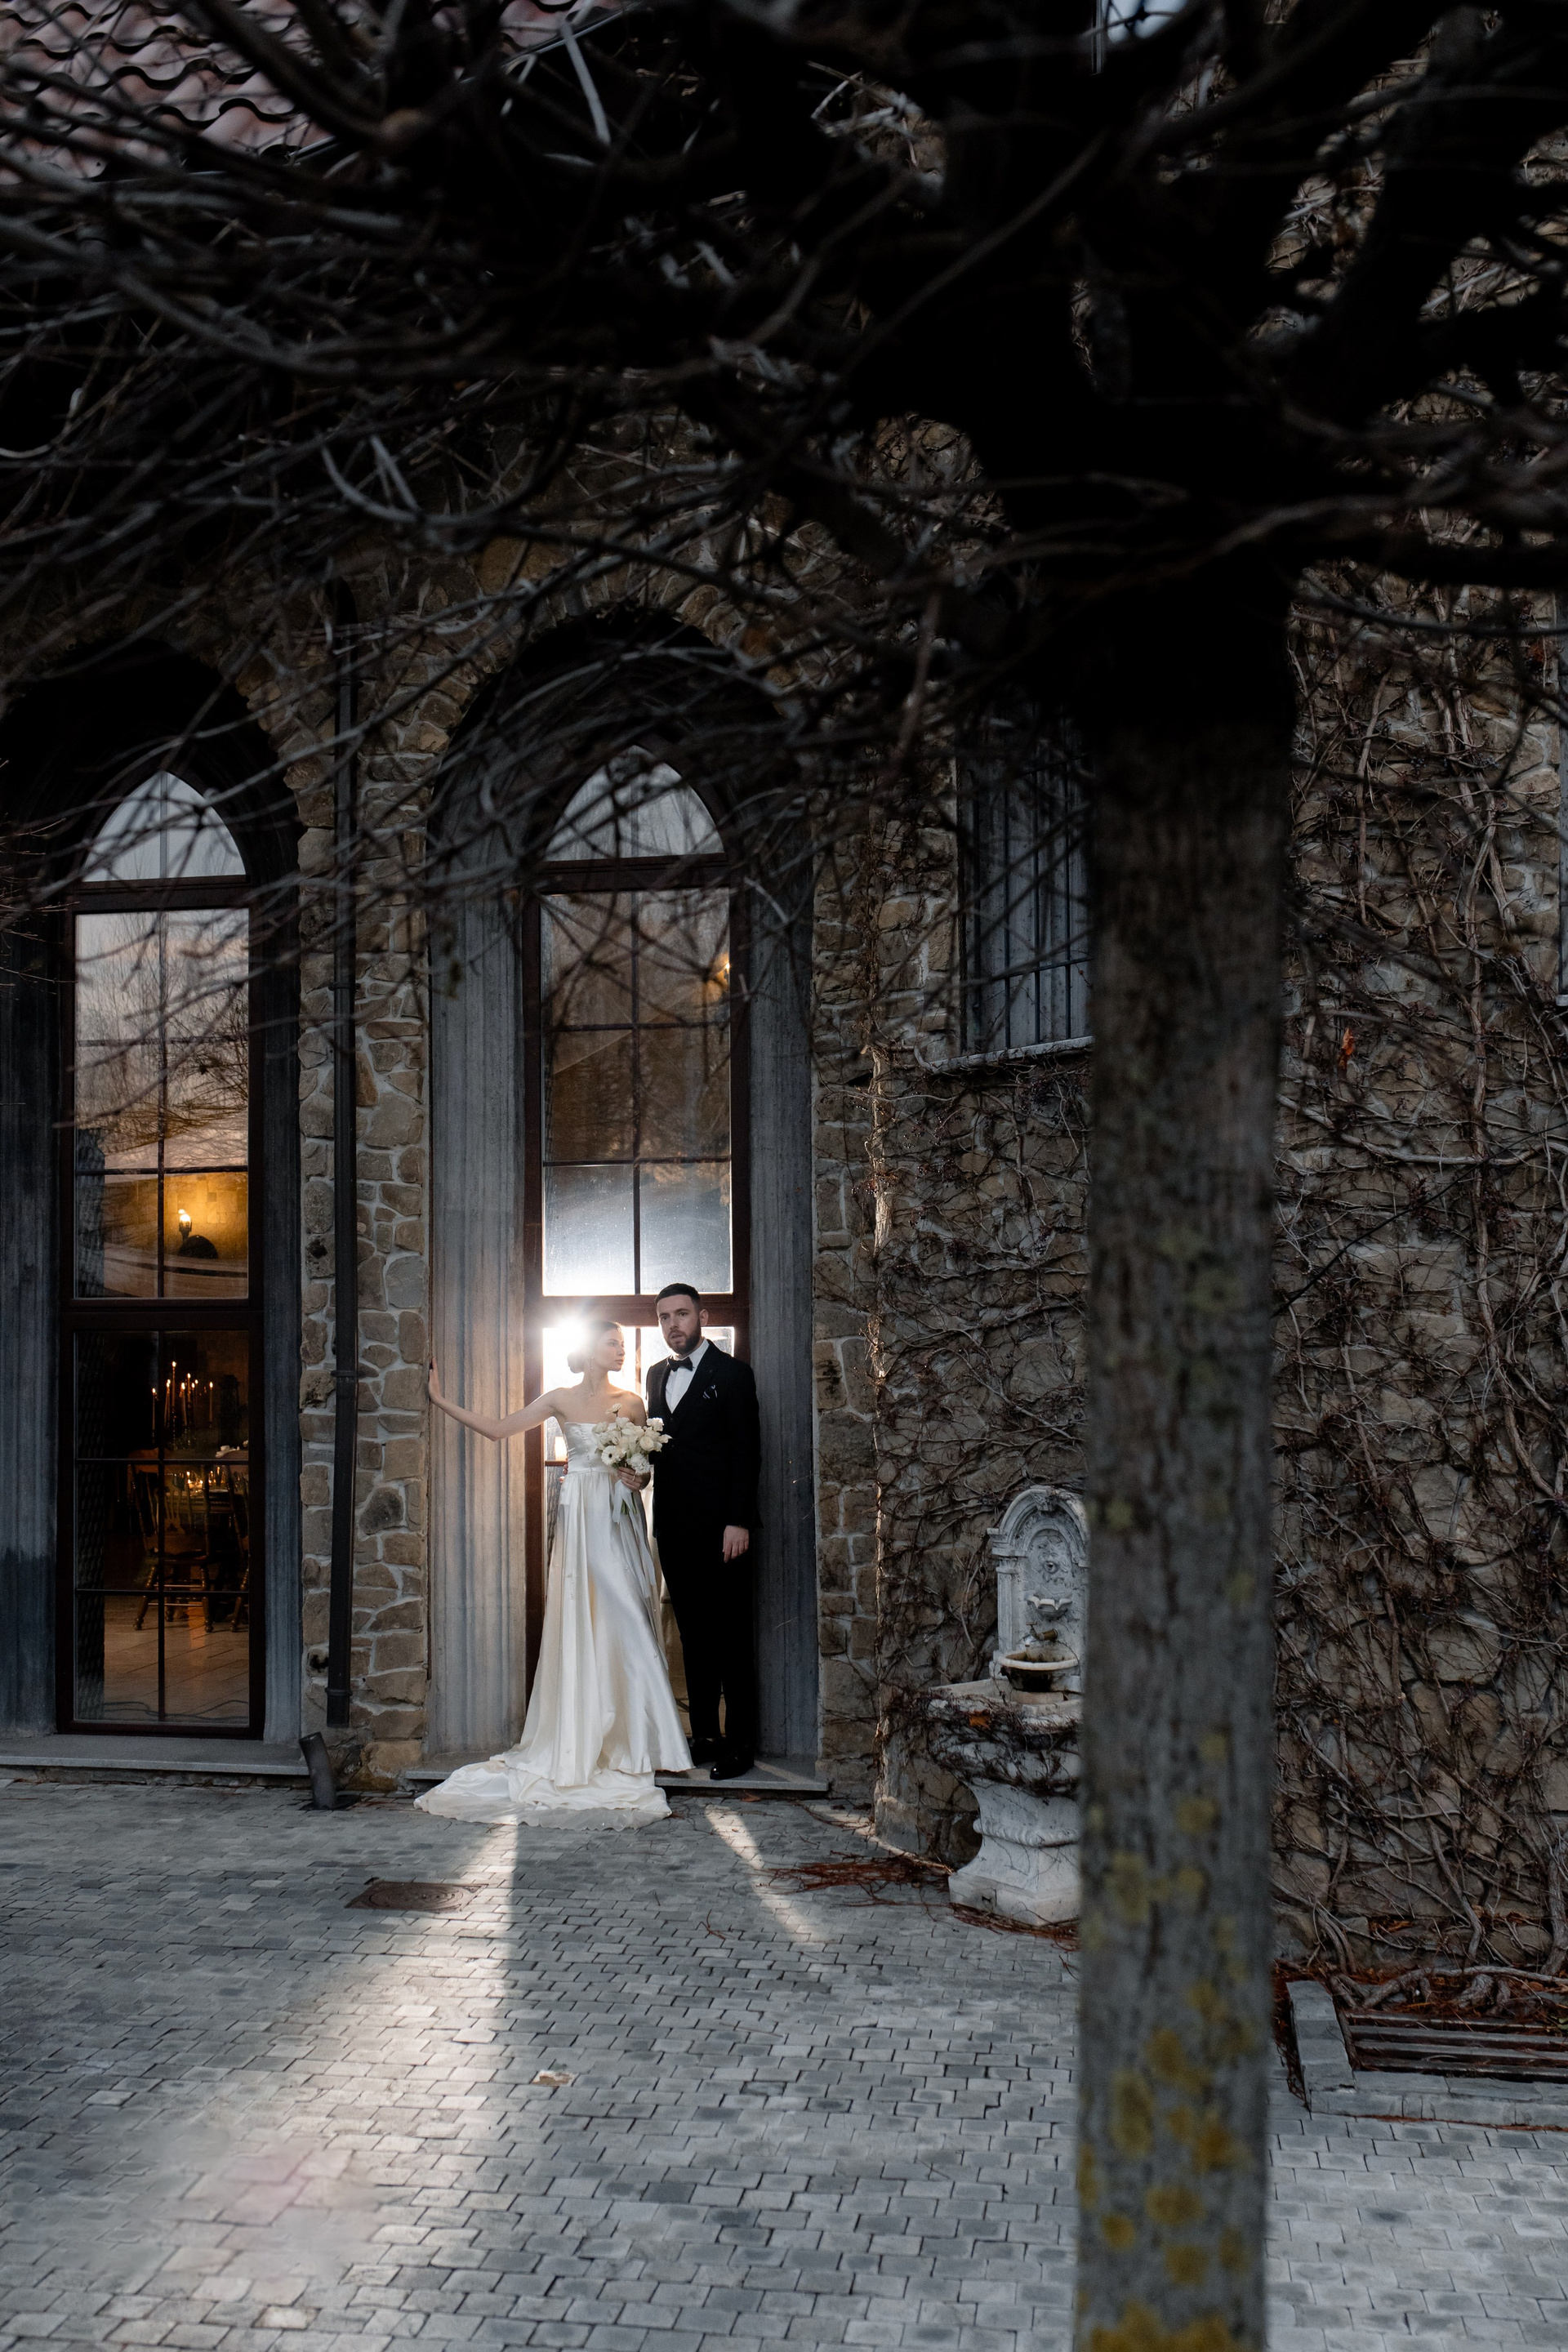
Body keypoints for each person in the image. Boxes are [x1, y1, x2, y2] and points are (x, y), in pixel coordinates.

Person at [415, 1321, 691, 1824]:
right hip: (580, 1514)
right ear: (589, 1348)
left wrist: (638, 1476)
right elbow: (499, 1428)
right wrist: (440, 1400)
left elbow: (645, 1468)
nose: (620, 1350)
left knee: (628, 1616)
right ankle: (591, 1736)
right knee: (586, 1619)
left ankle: (643, 1743)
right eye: (611, 1343)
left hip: (618, 1515)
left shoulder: (631, 1403)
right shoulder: (559, 1398)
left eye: (622, 1345)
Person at [645, 1282, 762, 1782]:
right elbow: (658, 1448)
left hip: (723, 1530)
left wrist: (738, 1520)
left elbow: (747, 1451)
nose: (673, 1324)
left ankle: (741, 1744)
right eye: (664, 1317)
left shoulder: (733, 1373)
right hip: (674, 1529)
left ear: (702, 1317)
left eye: (682, 1314)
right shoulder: (655, 1374)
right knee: (693, 1636)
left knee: (731, 1635)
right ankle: (705, 1736)